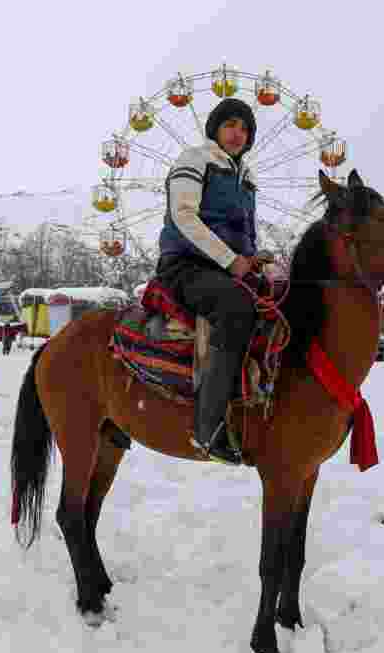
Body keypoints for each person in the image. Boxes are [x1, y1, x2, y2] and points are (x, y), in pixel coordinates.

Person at [156, 98, 264, 465]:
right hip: (185, 265)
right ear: (215, 128)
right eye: (231, 124)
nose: (239, 133)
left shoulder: (246, 176)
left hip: (228, 267)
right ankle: (209, 427)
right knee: (236, 306)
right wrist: (232, 261)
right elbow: (183, 216)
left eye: (245, 128)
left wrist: (255, 257)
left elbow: (243, 231)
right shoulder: (195, 159)